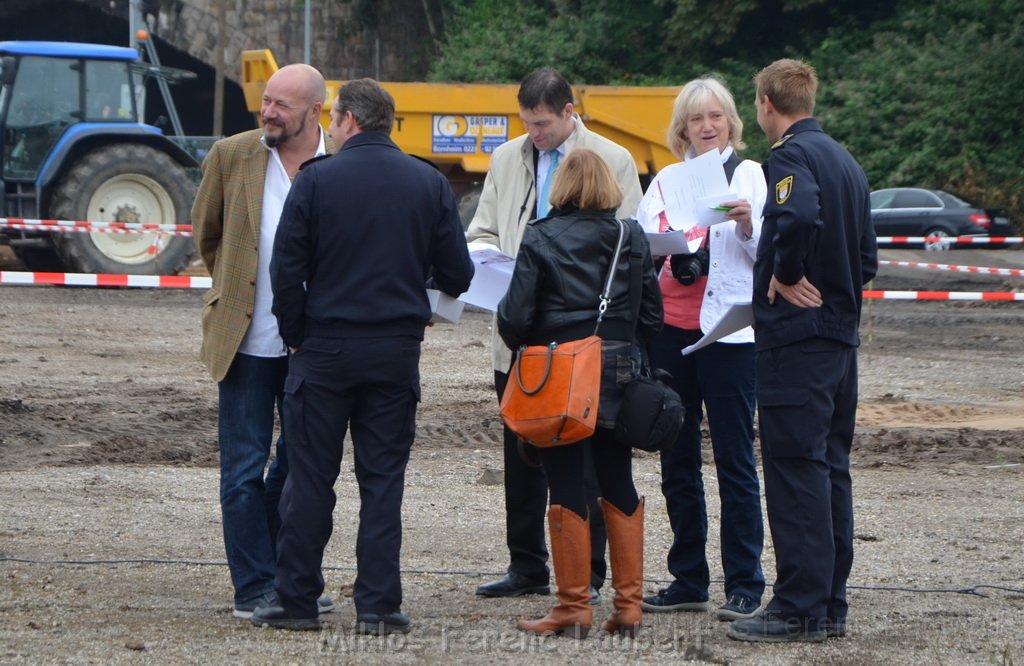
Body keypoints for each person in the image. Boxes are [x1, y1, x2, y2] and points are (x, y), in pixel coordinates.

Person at [251, 78, 474, 633]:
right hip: (395, 353)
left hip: (323, 350)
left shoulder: (317, 180)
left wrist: (297, 334)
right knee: (382, 482)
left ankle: (297, 600)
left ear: (348, 119)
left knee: (309, 480)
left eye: (333, 117)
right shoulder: (428, 182)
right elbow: (460, 274)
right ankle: (378, 605)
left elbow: (286, 271)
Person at [466, 67, 643, 602]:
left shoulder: (613, 160)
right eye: (526, 123)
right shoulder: (505, 158)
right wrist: (486, 257)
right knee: (521, 454)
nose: (533, 134)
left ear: (570, 112)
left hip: (584, 344)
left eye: (542, 123)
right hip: (520, 340)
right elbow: (482, 229)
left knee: (587, 467)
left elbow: (629, 247)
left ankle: (586, 575)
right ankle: (526, 567)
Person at [728, 59, 878, 643]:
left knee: (794, 471)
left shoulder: (789, 157)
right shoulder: (848, 162)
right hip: (840, 340)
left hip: (798, 342)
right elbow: (865, 259)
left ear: (767, 102)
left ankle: (797, 606)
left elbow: (796, 214)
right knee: (828, 469)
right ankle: (828, 603)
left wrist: (787, 273)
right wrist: (835, 289)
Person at [497, 148, 663, 637]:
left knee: (567, 486)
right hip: (620, 378)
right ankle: (629, 607)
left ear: (562, 188)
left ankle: (573, 608)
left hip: (562, 380)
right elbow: (651, 319)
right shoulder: (631, 236)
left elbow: (513, 319)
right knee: (619, 485)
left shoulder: (541, 236)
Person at [191, 63, 336, 620]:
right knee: (244, 468)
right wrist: (237, 291)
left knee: (298, 469)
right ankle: (253, 586)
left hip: (314, 347)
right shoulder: (233, 156)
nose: (268, 113)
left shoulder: (339, 163)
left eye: (281, 105)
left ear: (315, 112)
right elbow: (209, 235)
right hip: (245, 342)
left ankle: (291, 576)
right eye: (266, 102)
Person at [636, 78, 767, 621]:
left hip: (731, 334)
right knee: (677, 459)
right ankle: (688, 577)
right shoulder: (666, 179)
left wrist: (748, 225)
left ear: (731, 121)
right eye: (696, 119)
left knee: (736, 460)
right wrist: (672, 246)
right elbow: (644, 246)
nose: (707, 126)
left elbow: (769, 253)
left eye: (715, 116)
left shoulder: (750, 174)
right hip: (671, 330)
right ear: (682, 128)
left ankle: (745, 584)